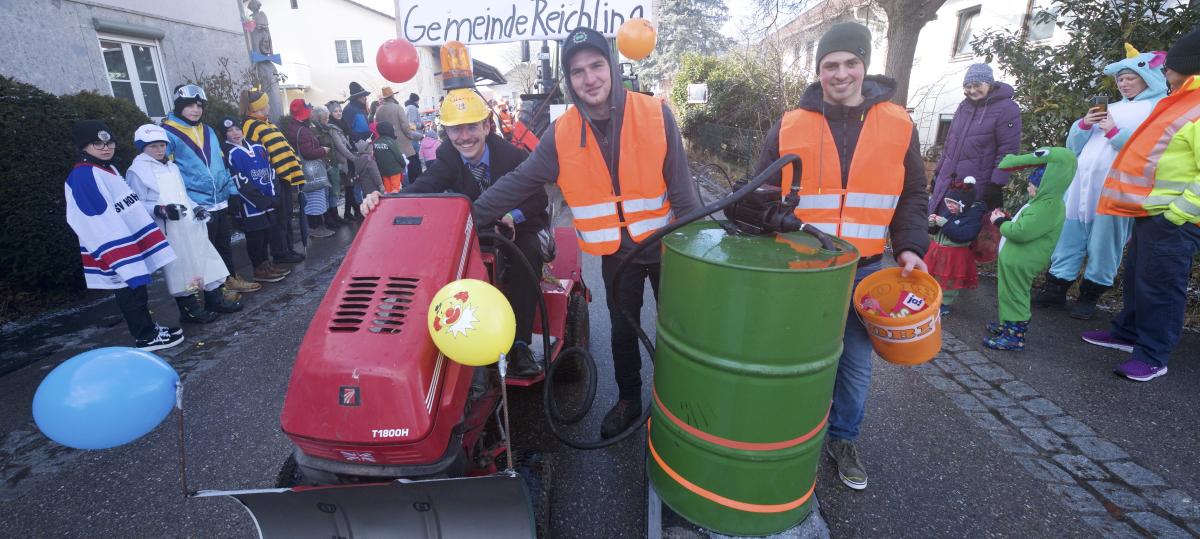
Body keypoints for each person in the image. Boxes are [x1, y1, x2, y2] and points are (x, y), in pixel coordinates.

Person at [455, 27, 703, 439]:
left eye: (596, 66)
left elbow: (685, 193)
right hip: (616, 254)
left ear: (612, 67)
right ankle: (628, 399)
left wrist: (699, 255)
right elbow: (521, 180)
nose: (589, 78)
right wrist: (466, 218)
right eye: (577, 71)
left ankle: (681, 404)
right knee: (623, 332)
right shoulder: (563, 133)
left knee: (679, 329)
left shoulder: (655, 114)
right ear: (568, 81)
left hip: (666, 247)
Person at [751, 22, 929, 490]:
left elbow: (913, 193)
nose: (841, 73)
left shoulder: (897, 122)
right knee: (793, 354)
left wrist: (910, 246)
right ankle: (790, 432)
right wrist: (766, 219)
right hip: (800, 269)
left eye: (851, 62)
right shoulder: (790, 124)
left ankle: (843, 439)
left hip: (864, 267)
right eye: (831, 65)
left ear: (865, 67)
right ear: (819, 71)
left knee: (853, 360)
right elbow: (758, 194)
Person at [363, 88, 551, 378]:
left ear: (487, 126)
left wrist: (512, 215)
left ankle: (520, 343)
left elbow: (539, 199)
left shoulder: (512, 155)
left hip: (517, 227)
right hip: (471, 228)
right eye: (455, 130)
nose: (464, 137)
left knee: (527, 255)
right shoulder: (448, 157)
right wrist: (382, 200)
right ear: (446, 133)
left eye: (471, 127)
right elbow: (422, 188)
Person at [1082, 28, 1200, 382]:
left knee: (1161, 285)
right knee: (1138, 277)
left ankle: (1153, 354)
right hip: (1153, 212)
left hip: (1175, 218)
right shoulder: (1182, 100)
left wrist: (1178, 214)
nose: (1165, 72)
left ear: (1188, 67)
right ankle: (1128, 332)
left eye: (1170, 66)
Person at [1035, 45, 1169, 320]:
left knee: (1104, 244)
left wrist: (1115, 132)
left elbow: (1151, 151)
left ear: (1149, 77)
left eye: (1129, 77)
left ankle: (1089, 297)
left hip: (1117, 189)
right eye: (1120, 79)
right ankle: (1056, 289)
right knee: (1069, 237)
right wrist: (1083, 124)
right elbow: (1073, 147)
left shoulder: (1158, 110)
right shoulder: (1112, 107)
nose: (1123, 83)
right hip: (1080, 186)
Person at [65, 120, 183, 351]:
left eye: (109, 142)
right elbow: (96, 219)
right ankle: (145, 336)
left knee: (137, 291)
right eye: (97, 144)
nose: (105, 148)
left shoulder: (106, 168)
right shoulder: (84, 175)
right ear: (84, 147)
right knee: (128, 291)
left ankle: (148, 328)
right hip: (114, 246)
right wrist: (119, 252)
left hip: (127, 241)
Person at [127, 124, 242, 323]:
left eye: (162, 145)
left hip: (189, 222)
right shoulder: (137, 171)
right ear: (142, 147)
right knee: (181, 268)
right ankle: (189, 309)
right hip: (169, 228)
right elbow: (136, 204)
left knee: (207, 258)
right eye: (153, 146)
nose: (159, 149)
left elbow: (183, 194)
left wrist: (195, 207)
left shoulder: (171, 166)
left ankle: (214, 299)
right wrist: (160, 210)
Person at [161, 84, 261, 295]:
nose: (196, 110)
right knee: (205, 248)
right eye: (189, 105)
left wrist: (232, 193)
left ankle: (229, 279)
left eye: (199, 105)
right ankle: (212, 288)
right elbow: (167, 173)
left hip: (220, 199)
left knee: (223, 243)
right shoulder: (167, 132)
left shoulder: (207, 130)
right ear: (179, 106)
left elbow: (221, 163)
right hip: (196, 202)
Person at [985, 149, 1074, 351]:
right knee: (1007, 293)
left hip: (1022, 260)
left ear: (1044, 185)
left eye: (1033, 185)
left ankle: (1015, 335)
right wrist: (1007, 220)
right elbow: (1023, 225)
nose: (1029, 188)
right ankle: (1006, 325)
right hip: (1015, 258)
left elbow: (1021, 232)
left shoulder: (1048, 206)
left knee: (1015, 295)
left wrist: (999, 222)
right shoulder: (1041, 203)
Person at [929, 63, 1022, 213]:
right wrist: (938, 172)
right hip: (946, 180)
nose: (972, 90)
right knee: (935, 226)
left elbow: (1008, 150)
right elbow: (949, 144)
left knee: (959, 231)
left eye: (977, 85)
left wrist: (996, 184)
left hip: (975, 184)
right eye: (968, 86)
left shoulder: (1007, 108)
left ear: (989, 83)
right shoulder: (963, 106)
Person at [239, 89, 306, 264]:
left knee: (286, 215)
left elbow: (282, 146)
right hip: (272, 179)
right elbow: (254, 153)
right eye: (266, 104)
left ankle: (288, 248)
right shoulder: (251, 125)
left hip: (283, 177)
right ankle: (280, 252)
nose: (269, 106)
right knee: (279, 218)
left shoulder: (268, 124)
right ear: (259, 107)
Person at [221, 117, 290, 283]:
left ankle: (266, 263)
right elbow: (238, 181)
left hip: (267, 199)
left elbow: (270, 170)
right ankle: (258, 267)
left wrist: (273, 195)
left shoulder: (258, 146)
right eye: (230, 131)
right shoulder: (228, 153)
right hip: (249, 204)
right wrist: (260, 200)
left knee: (267, 233)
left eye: (237, 129)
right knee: (255, 237)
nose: (235, 133)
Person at [924, 177, 986, 315]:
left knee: (949, 280)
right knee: (933, 275)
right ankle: (931, 297)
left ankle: (944, 304)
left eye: (953, 203)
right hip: (937, 251)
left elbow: (962, 236)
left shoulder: (973, 219)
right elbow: (934, 231)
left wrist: (944, 224)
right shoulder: (950, 212)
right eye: (948, 202)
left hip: (955, 255)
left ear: (964, 204)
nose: (949, 206)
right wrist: (932, 224)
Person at [284, 98, 342, 238]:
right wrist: (323, 150)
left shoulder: (295, 127)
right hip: (311, 171)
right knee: (315, 196)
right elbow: (308, 153)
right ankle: (316, 227)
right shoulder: (303, 130)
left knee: (311, 198)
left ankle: (316, 226)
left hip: (303, 170)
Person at [321, 101, 384, 211]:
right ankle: (349, 211)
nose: (339, 113)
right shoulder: (333, 127)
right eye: (335, 111)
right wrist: (354, 158)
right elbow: (341, 146)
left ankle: (350, 211)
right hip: (343, 160)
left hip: (349, 158)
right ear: (330, 114)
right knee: (347, 186)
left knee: (351, 186)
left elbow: (350, 139)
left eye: (340, 111)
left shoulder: (342, 124)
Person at [376, 86, 424, 181]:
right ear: (392, 96)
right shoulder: (397, 108)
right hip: (403, 144)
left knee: (397, 174)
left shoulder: (379, 111)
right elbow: (405, 126)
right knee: (414, 168)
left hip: (388, 146)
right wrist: (411, 136)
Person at [372, 122, 408, 192]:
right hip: (395, 170)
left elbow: (375, 156)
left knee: (387, 190)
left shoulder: (375, 142)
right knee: (395, 190)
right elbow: (398, 156)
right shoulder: (391, 141)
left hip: (384, 171)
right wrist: (403, 165)